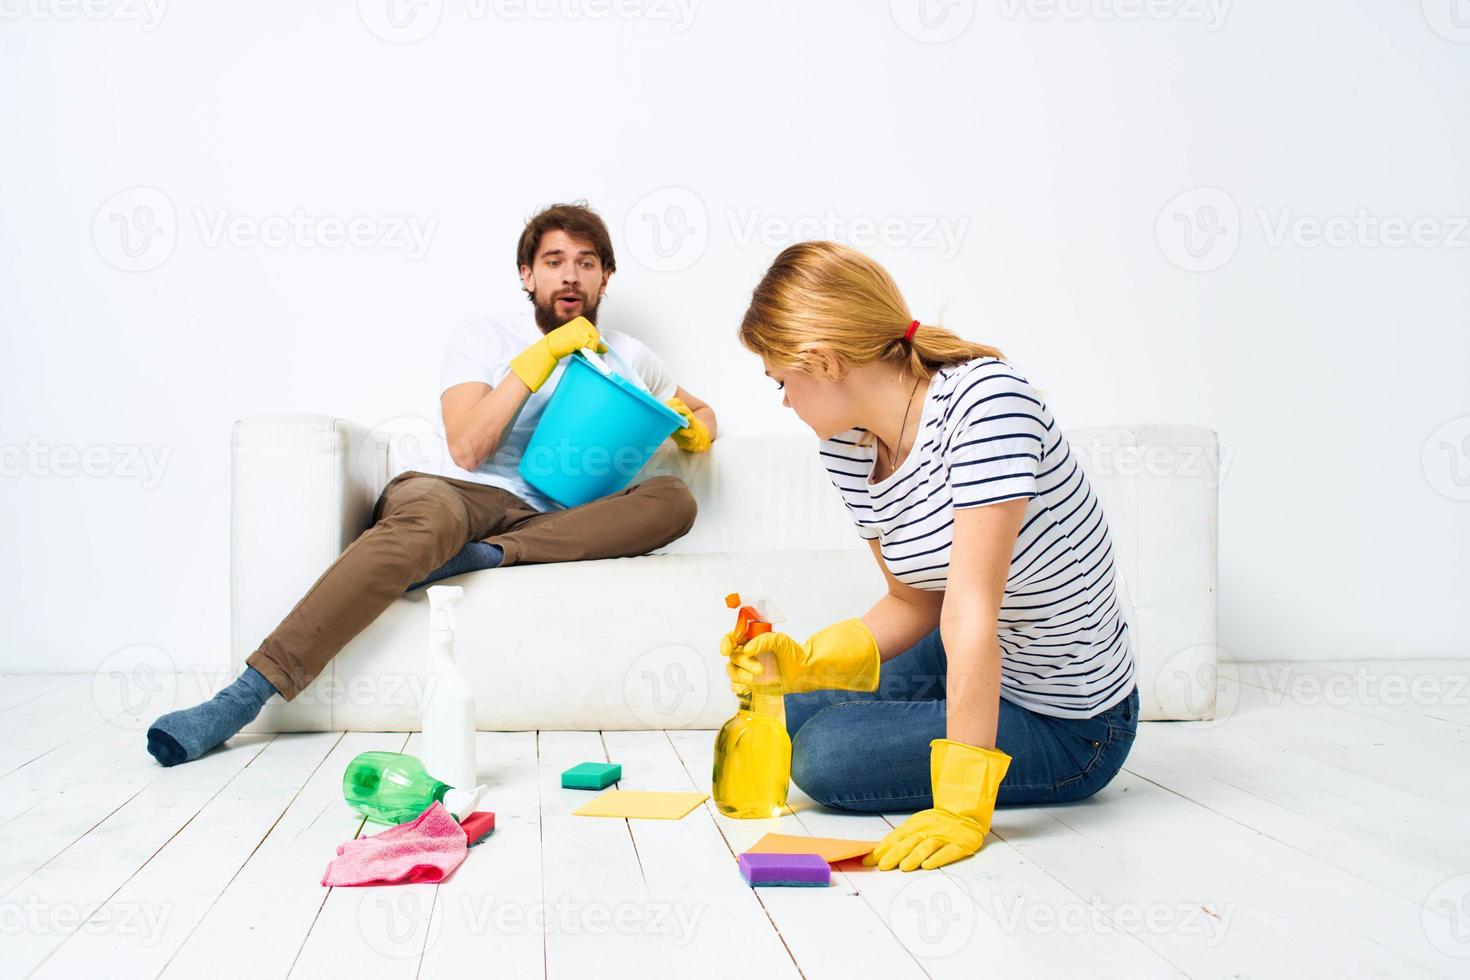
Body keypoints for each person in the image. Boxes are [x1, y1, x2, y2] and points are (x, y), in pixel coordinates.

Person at [148, 201, 716, 767]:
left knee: (673, 498)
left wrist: (695, 429)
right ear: (528, 274)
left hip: (550, 519)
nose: (570, 274)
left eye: (587, 263)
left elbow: (701, 411)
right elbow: (467, 446)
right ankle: (241, 698)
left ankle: (481, 557)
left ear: (605, 277)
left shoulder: (630, 356)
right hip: (455, 493)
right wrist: (540, 358)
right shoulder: (484, 337)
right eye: (554, 260)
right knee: (429, 522)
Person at [721, 240, 1136, 872]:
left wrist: (962, 805)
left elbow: (972, 611)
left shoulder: (986, 405)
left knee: (824, 756)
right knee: (795, 704)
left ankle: (998, 757)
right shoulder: (849, 445)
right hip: (969, 648)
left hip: (1070, 719)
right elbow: (915, 599)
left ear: (825, 362)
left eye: (782, 380)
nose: (783, 399)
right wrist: (805, 661)